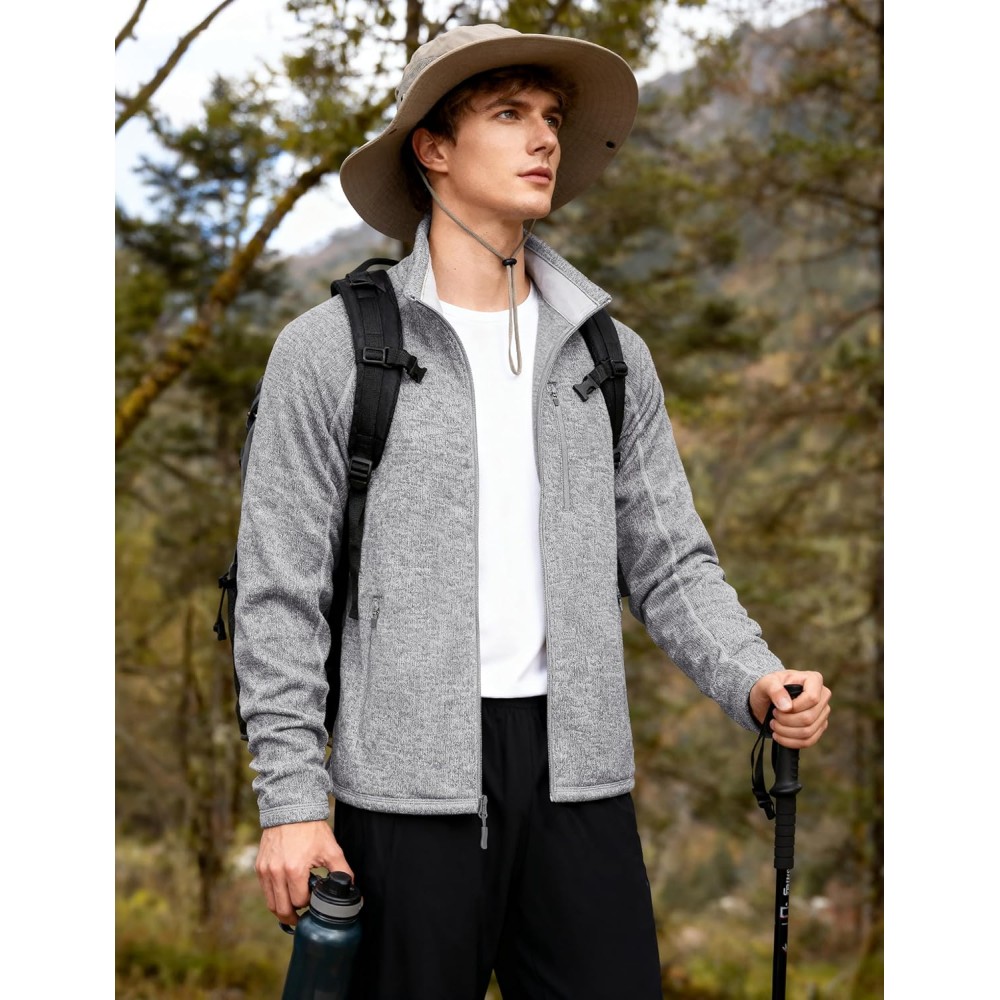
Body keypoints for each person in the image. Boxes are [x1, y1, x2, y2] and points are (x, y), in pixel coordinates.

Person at [235, 22, 832, 1000]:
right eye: (509, 113)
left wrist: (756, 678)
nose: (545, 137)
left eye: (551, 116)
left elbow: (670, 561)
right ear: (433, 147)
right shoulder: (329, 351)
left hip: (579, 780)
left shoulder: (608, 355)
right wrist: (293, 799)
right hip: (403, 790)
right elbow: (278, 596)